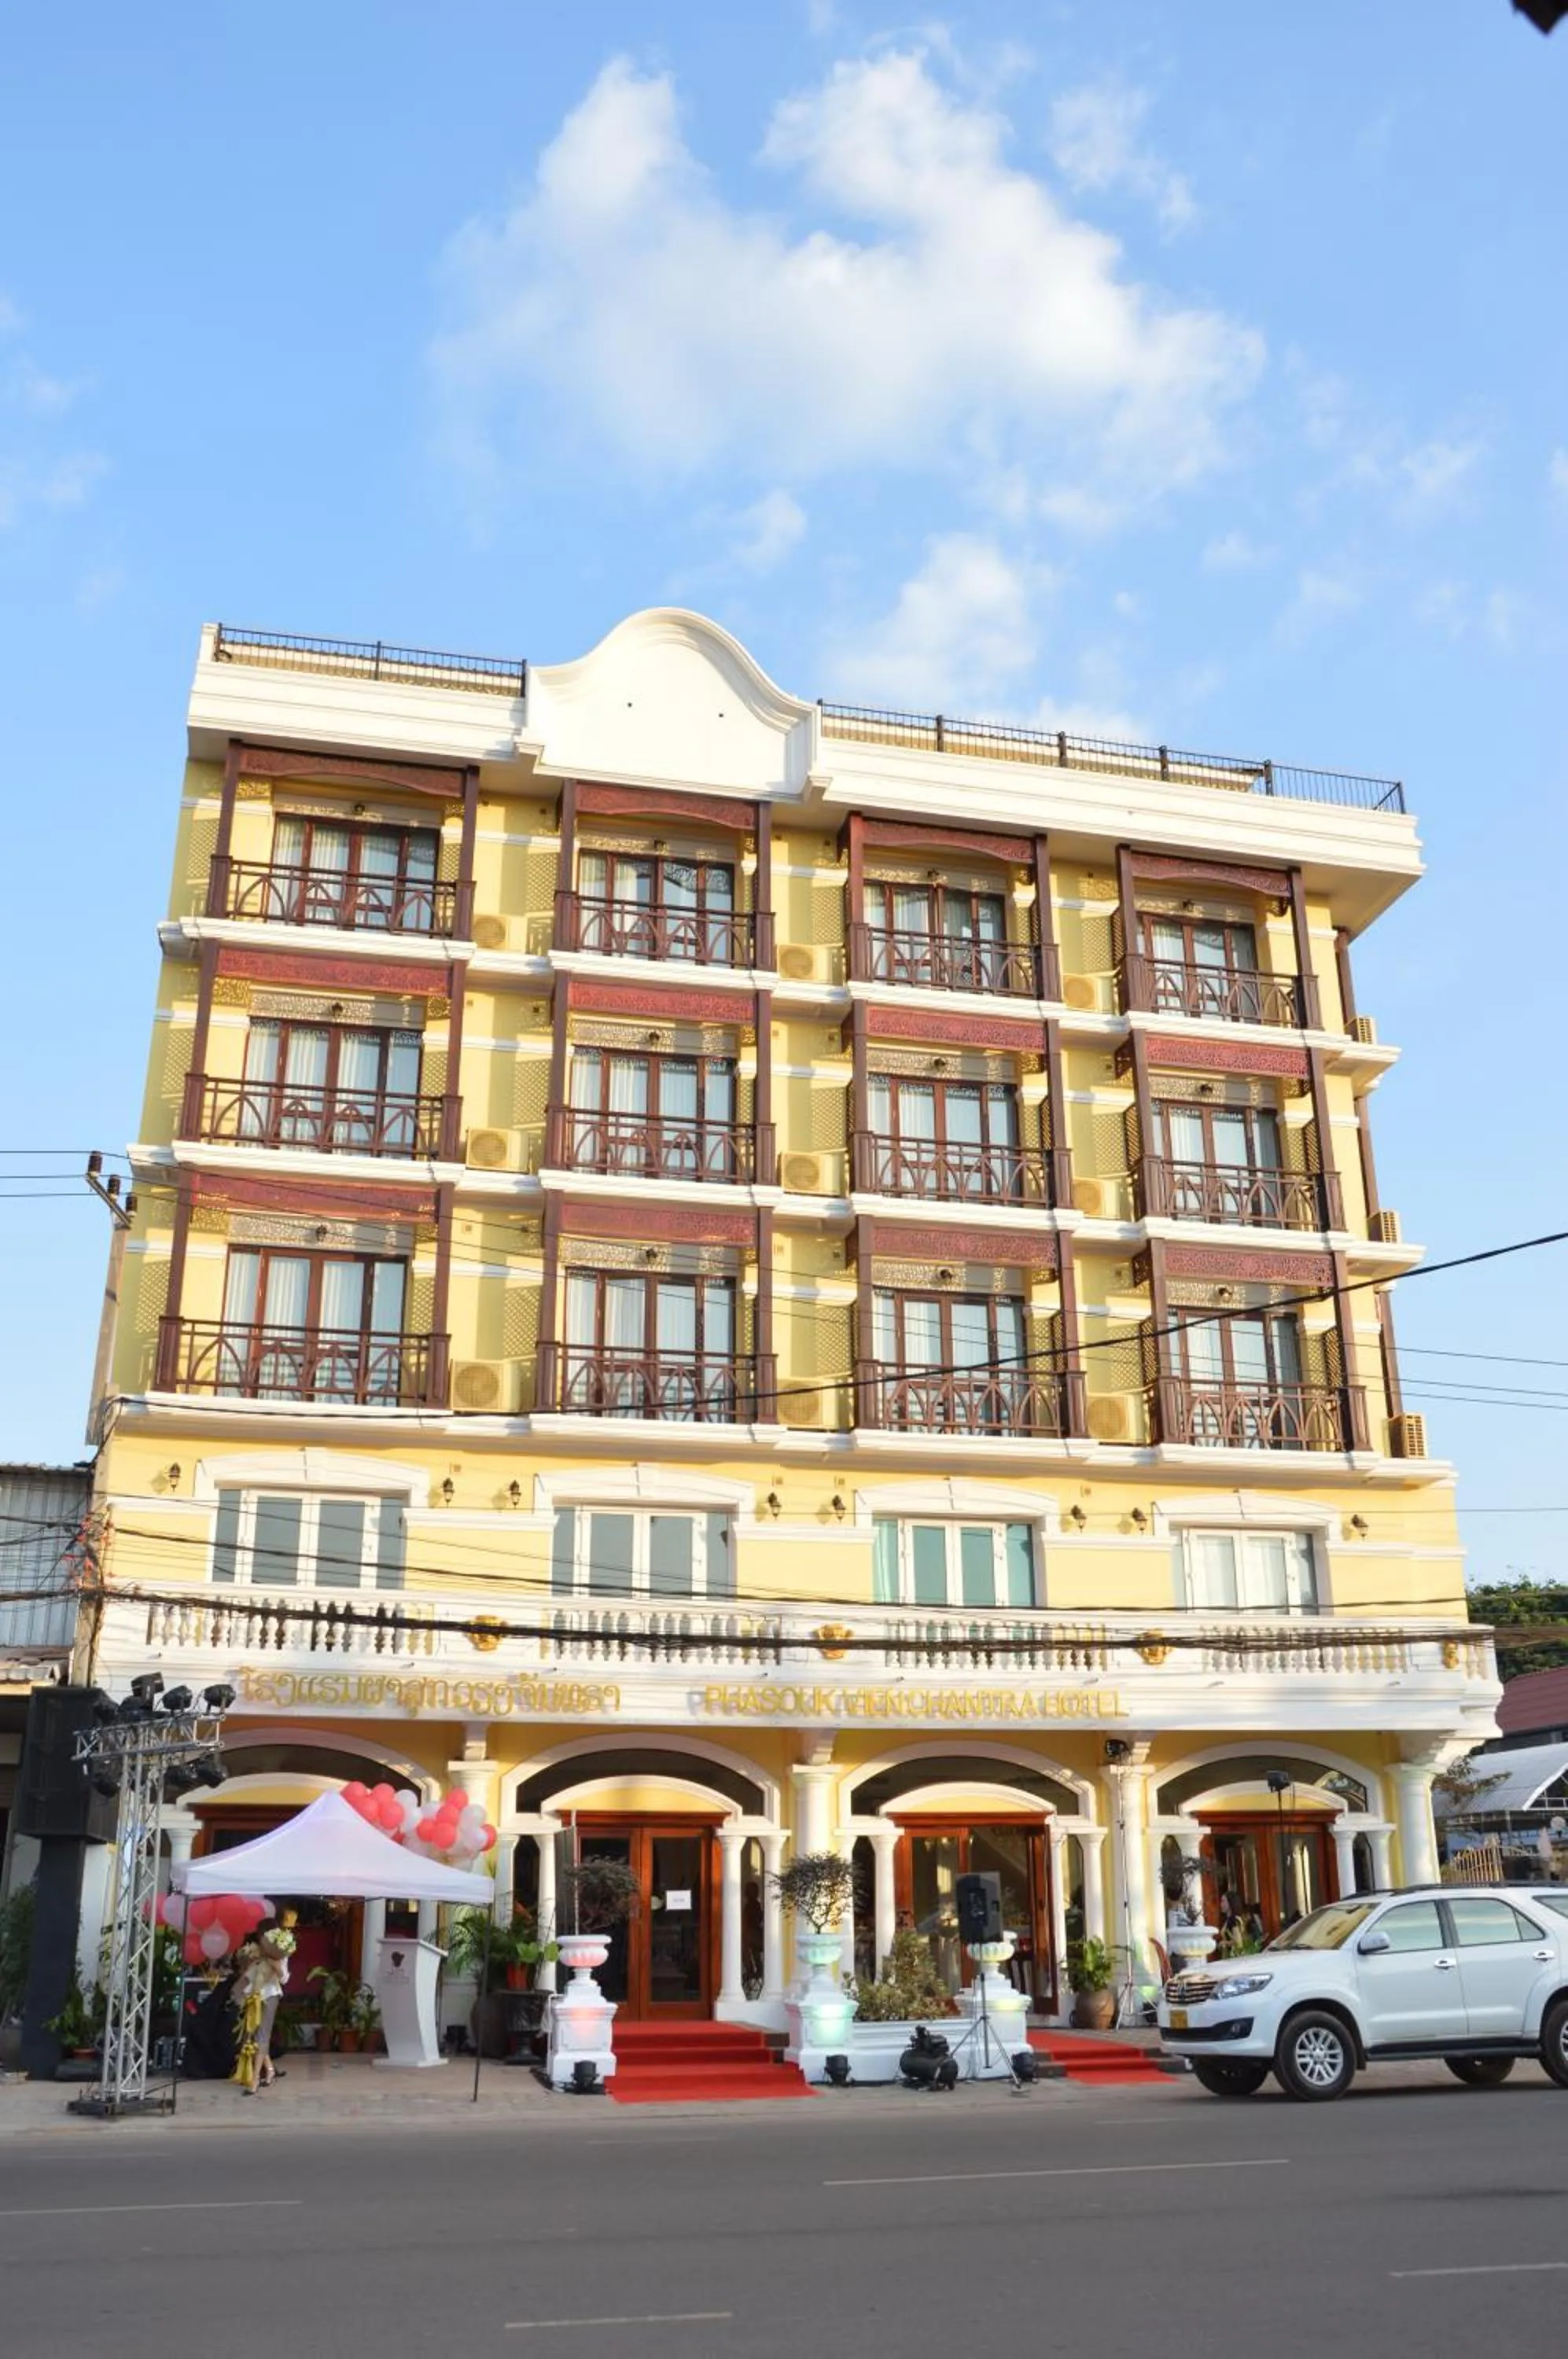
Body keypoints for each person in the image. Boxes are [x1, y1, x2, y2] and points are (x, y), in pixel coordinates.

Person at [230, 1919, 296, 2093]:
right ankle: (270, 2071)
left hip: (270, 1995)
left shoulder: (281, 1954)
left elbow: (284, 1978)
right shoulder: (256, 1951)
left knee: (262, 2036)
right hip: (254, 1994)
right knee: (252, 2033)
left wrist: (275, 1966)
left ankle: (255, 2079)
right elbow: (247, 1973)